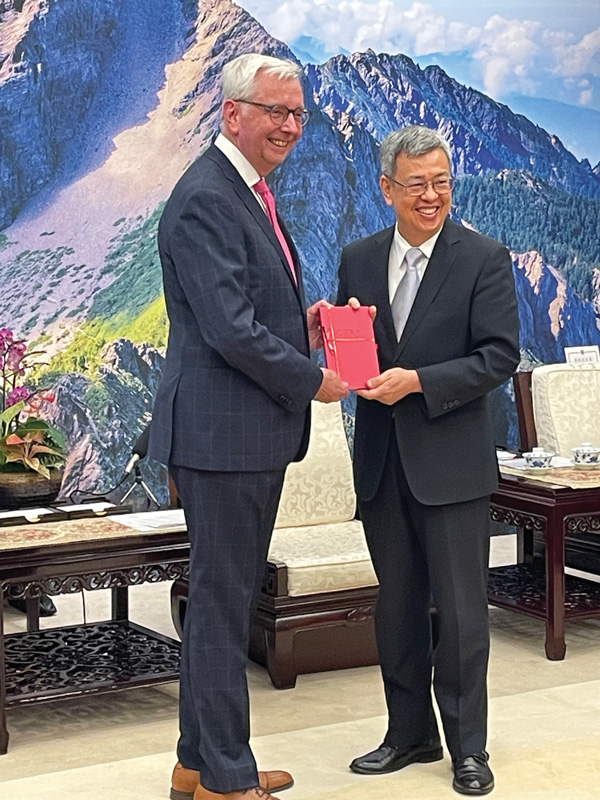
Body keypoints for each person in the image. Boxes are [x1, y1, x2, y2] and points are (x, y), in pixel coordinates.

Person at [148, 53, 348, 800]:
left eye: (298, 114)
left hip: (241, 433)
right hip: (221, 437)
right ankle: (226, 777)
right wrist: (313, 380)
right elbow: (230, 333)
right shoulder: (207, 197)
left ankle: (199, 763)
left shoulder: (247, 191)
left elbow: (237, 315)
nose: (290, 126)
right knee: (224, 609)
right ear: (233, 113)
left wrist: (307, 329)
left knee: (223, 602)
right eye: (276, 111)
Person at [336, 125, 520, 796]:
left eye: (441, 182)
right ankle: (408, 734)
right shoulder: (357, 259)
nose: (431, 196)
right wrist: (343, 358)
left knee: (464, 615)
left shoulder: (484, 258)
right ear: (387, 189)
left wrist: (419, 382)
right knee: (399, 608)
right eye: (417, 184)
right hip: (383, 464)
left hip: (454, 465)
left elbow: (499, 357)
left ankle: (469, 749)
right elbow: (352, 348)